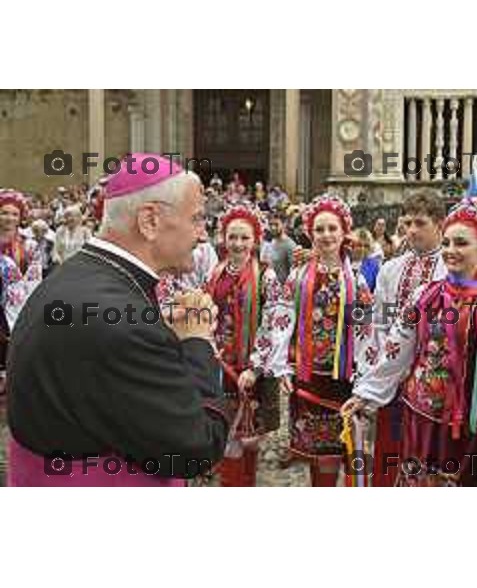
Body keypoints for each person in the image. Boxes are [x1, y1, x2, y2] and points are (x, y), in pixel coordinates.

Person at [7, 153, 230, 487]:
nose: (203, 235)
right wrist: (197, 341)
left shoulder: (77, 275)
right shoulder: (126, 324)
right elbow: (196, 448)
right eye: (197, 219)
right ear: (150, 221)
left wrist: (160, 330)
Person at [345, 195, 477, 487]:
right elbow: (395, 352)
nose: (450, 250)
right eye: (447, 242)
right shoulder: (424, 297)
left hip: (468, 434)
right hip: (418, 425)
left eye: (461, 243)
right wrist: (366, 393)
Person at [265, 195, 373, 486]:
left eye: (332, 229)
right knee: (317, 456)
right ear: (311, 234)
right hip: (308, 377)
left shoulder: (357, 280)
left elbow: (365, 329)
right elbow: (283, 318)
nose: (326, 236)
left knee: (344, 450)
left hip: (344, 380)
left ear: (343, 232)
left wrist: (364, 376)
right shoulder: (298, 277)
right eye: (320, 230)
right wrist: (283, 366)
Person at [363, 192, 448, 486]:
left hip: (436, 379)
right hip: (394, 377)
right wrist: (386, 367)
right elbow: (381, 321)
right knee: (390, 448)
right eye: (407, 222)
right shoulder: (390, 269)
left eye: (420, 223)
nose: (411, 230)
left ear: (440, 224)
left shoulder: (450, 269)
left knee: (428, 456)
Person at [204, 203, 282, 486]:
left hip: (250, 371)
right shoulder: (214, 274)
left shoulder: (266, 276)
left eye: (244, 237)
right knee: (229, 439)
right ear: (223, 238)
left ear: (256, 240)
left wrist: (254, 366)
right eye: (232, 237)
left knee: (249, 441)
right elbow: (206, 312)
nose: (237, 244)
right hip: (221, 368)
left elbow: (273, 322)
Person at [0, 189, 37, 275]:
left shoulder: (30, 246)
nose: (9, 218)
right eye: (4, 213)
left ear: (20, 218)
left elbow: (34, 280)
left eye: (15, 214)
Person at [260, 211, 297, 284]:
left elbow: (294, 273)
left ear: (284, 224)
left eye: (276, 224)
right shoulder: (271, 241)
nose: (273, 228)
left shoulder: (290, 245)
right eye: (270, 224)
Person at [349, 228, 380, 292]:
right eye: (359, 245)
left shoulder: (374, 265)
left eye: (366, 246)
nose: (362, 249)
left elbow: (376, 290)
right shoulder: (344, 262)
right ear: (352, 245)